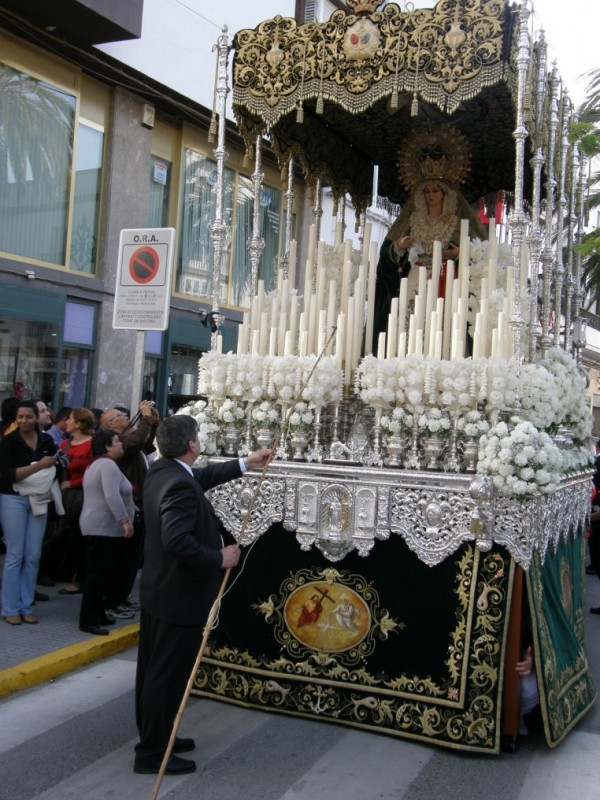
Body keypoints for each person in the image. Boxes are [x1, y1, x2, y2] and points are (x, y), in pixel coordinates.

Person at [133, 413, 271, 775]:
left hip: (160, 592)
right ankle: (151, 753)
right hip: (178, 598)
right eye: (198, 435)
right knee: (166, 675)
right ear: (193, 444)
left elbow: (202, 478)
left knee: (154, 669)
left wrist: (247, 462)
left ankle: (160, 735)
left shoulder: (165, 471)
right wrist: (218, 558)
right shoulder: (177, 483)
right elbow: (176, 539)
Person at [373, 125, 487, 344]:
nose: (430, 195)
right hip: (416, 277)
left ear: (446, 194)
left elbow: (480, 252)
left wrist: (460, 252)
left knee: (443, 331)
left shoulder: (456, 223)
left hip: (446, 279)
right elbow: (388, 251)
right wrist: (399, 246)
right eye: (426, 191)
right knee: (406, 326)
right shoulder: (412, 220)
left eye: (435, 191)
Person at [0, 400, 61, 625]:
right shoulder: (8, 442)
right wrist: (40, 466)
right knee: (15, 554)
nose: (24, 421)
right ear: (15, 419)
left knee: (33, 555)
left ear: (37, 418)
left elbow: (57, 464)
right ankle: (10, 608)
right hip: (12, 499)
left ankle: (26, 605)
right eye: (20, 417)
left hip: (39, 499)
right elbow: (8, 475)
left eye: (28, 416)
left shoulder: (46, 440)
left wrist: (50, 465)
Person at [101, 400, 159, 618]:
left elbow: (145, 443)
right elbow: (135, 442)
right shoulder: (119, 444)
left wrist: (151, 423)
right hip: (130, 505)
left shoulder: (128, 439)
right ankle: (113, 599)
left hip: (139, 504)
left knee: (132, 560)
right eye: (121, 416)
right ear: (111, 423)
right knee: (122, 559)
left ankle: (121, 597)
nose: (126, 417)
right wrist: (144, 418)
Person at [78, 429, 135, 635]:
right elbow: (112, 496)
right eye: (117, 441)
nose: (121, 444)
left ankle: (98, 613)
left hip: (102, 527)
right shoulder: (108, 465)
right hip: (103, 528)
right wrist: (125, 522)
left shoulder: (102, 464)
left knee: (104, 574)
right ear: (107, 446)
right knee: (98, 576)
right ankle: (89, 620)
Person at [57, 407, 96, 594]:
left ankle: (80, 577)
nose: (66, 422)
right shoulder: (65, 443)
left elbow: (94, 472)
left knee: (81, 538)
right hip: (65, 497)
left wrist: (71, 484)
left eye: (70, 419)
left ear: (79, 423)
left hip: (82, 497)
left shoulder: (91, 445)